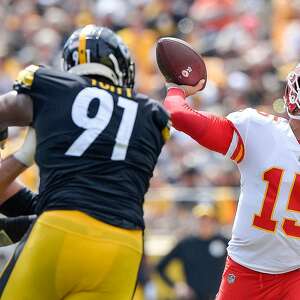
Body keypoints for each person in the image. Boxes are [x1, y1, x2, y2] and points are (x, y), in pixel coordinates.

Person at [0, 25, 170, 300]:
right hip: (123, 244)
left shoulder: (53, 90)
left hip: (59, 230)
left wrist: (21, 154)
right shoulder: (152, 115)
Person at [163, 64, 300, 300]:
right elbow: (180, 117)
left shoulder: (261, 131)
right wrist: (176, 90)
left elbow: (179, 113)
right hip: (245, 268)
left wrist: (176, 90)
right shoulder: (260, 131)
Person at [156, 203, 228, 300]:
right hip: (193, 297)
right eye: (201, 220)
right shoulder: (186, 244)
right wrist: (176, 286)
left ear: (214, 222)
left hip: (219, 296)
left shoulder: (225, 242)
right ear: (195, 222)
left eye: (209, 220)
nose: (205, 223)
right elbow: (160, 267)